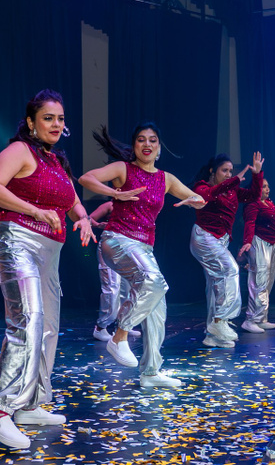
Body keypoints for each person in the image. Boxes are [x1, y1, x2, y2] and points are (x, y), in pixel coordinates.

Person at [0, 90, 99, 449]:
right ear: (31, 122)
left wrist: (84, 219)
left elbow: (72, 201)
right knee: (28, 321)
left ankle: (30, 403)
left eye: (60, 119)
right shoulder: (20, 151)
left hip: (49, 251)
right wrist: (33, 210)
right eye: (48, 118)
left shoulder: (56, 162)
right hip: (17, 241)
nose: (56, 124)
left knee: (48, 328)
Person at [79, 124, 207, 388]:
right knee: (154, 282)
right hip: (118, 240)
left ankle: (151, 372)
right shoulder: (123, 169)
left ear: (159, 148)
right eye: (141, 140)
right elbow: (86, 178)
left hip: (144, 248)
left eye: (152, 140)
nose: (147, 144)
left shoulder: (165, 179)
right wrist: (115, 193)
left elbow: (198, 198)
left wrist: (195, 200)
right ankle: (119, 336)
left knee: (157, 306)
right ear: (135, 145)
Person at [189, 152, 263, 342]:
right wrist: (234, 181)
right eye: (225, 170)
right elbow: (208, 196)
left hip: (221, 240)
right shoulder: (202, 187)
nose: (229, 174)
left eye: (231, 171)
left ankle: (213, 335)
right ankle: (220, 320)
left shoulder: (232, 190)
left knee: (215, 285)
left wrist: (256, 174)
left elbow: (254, 195)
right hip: (204, 237)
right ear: (213, 171)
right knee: (230, 270)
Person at [240, 170, 275, 334]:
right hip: (259, 242)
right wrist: (247, 242)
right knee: (259, 280)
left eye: (268, 187)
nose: (267, 189)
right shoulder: (253, 204)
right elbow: (249, 223)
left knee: (268, 281)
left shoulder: (270, 203)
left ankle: (261, 318)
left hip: (273, 243)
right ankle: (250, 320)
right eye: (264, 186)